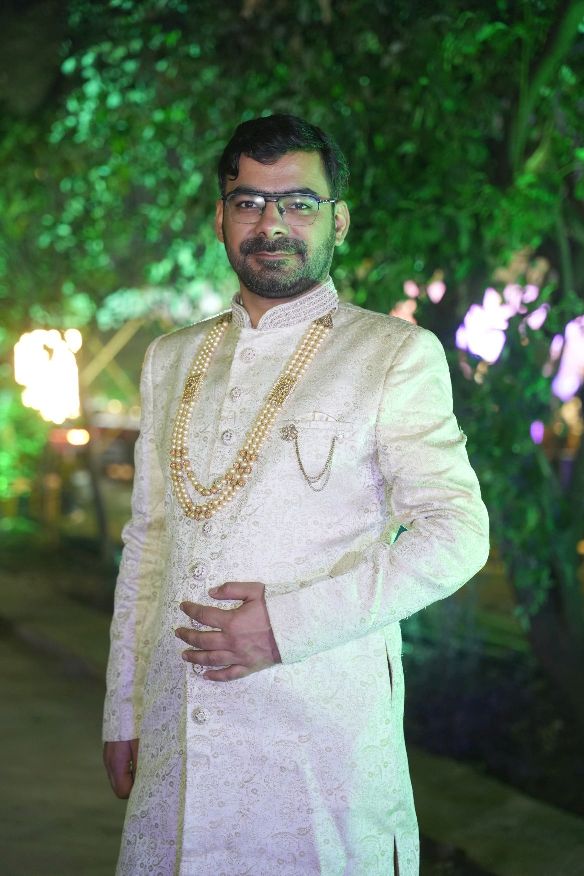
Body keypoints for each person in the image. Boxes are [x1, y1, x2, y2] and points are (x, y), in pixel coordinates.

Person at [103, 113, 489, 876]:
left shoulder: (391, 354)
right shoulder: (171, 357)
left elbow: (457, 533)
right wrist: (124, 708)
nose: (271, 224)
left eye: (299, 203)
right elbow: (148, 541)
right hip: (177, 735)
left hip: (317, 744)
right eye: (249, 202)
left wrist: (283, 626)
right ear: (221, 218)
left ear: (338, 220)